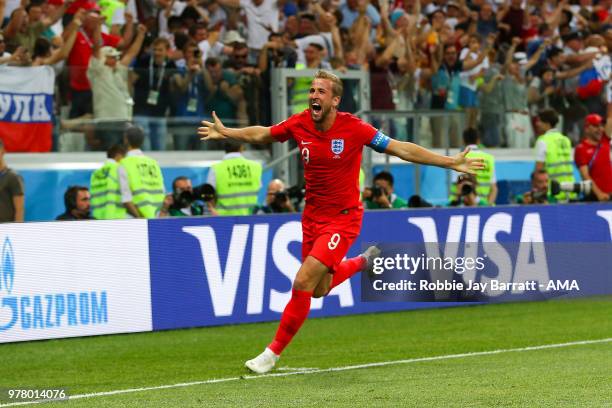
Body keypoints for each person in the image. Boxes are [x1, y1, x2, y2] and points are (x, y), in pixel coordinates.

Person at [198, 70, 483, 374]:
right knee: (318, 290)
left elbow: (401, 148)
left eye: (321, 92)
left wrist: (450, 162)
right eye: (312, 90)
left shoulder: (355, 128)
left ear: (335, 100)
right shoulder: (300, 122)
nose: (313, 96)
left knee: (302, 281)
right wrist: (227, 132)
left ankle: (271, 354)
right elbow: (264, 133)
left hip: (342, 220)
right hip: (312, 218)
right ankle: (362, 262)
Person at [87, 23, 147, 150]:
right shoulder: (98, 70)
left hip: (124, 118)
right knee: (112, 152)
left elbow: (131, 54)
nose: (115, 59)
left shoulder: (119, 70)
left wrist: (141, 35)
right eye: (111, 57)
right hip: (107, 119)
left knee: (125, 153)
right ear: (103, 58)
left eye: (116, 57)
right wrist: (97, 26)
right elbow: (97, 47)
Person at [118, 126, 165, 218]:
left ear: (126, 140)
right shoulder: (153, 162)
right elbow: (162, 191)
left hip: (137, 219)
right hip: (157, 217)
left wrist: (141, 220)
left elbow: (126, 199)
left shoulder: (124, 163)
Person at [206, 140, 262, 215]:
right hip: (250, 218)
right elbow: (258, 189)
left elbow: (208, 195)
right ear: (242, 148)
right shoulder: (256, 167)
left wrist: (212, 209)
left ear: (225, 149)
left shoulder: (216, 169)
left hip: (224, 220)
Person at [534, 108, 577, 201]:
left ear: (547, 124)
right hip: (570, 190)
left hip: (553, 193)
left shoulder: (543, 141)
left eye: (539, 121)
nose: (537, 124)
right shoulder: (566, 140)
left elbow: (539, 170)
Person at [449, 128, 498, 205]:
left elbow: (462, 187)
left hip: (466, 208)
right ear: (478, 140)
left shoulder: (459, 158)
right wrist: (488, 207)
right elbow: (494, 188)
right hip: (486, 207)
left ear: (463, 141)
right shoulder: (489, 158)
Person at [574, 113, 612, 201]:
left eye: (601, 126)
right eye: (596, 126)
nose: (600, 129)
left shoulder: (604, 141)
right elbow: (585, 175)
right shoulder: (581, 149)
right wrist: (599, 194)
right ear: (586, 128)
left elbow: (610, 118)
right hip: (596, 197)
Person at [89, 143, 128, 219]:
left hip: (97, 217)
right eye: (124, 157)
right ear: (119, 155)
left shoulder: (96, 173)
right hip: (117, 218)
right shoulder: (119, 169)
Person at [0, 140, 24, 222]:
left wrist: (17, 231)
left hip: (6, 230)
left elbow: (19, 210)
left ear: (3, 151)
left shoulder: (13, 177)